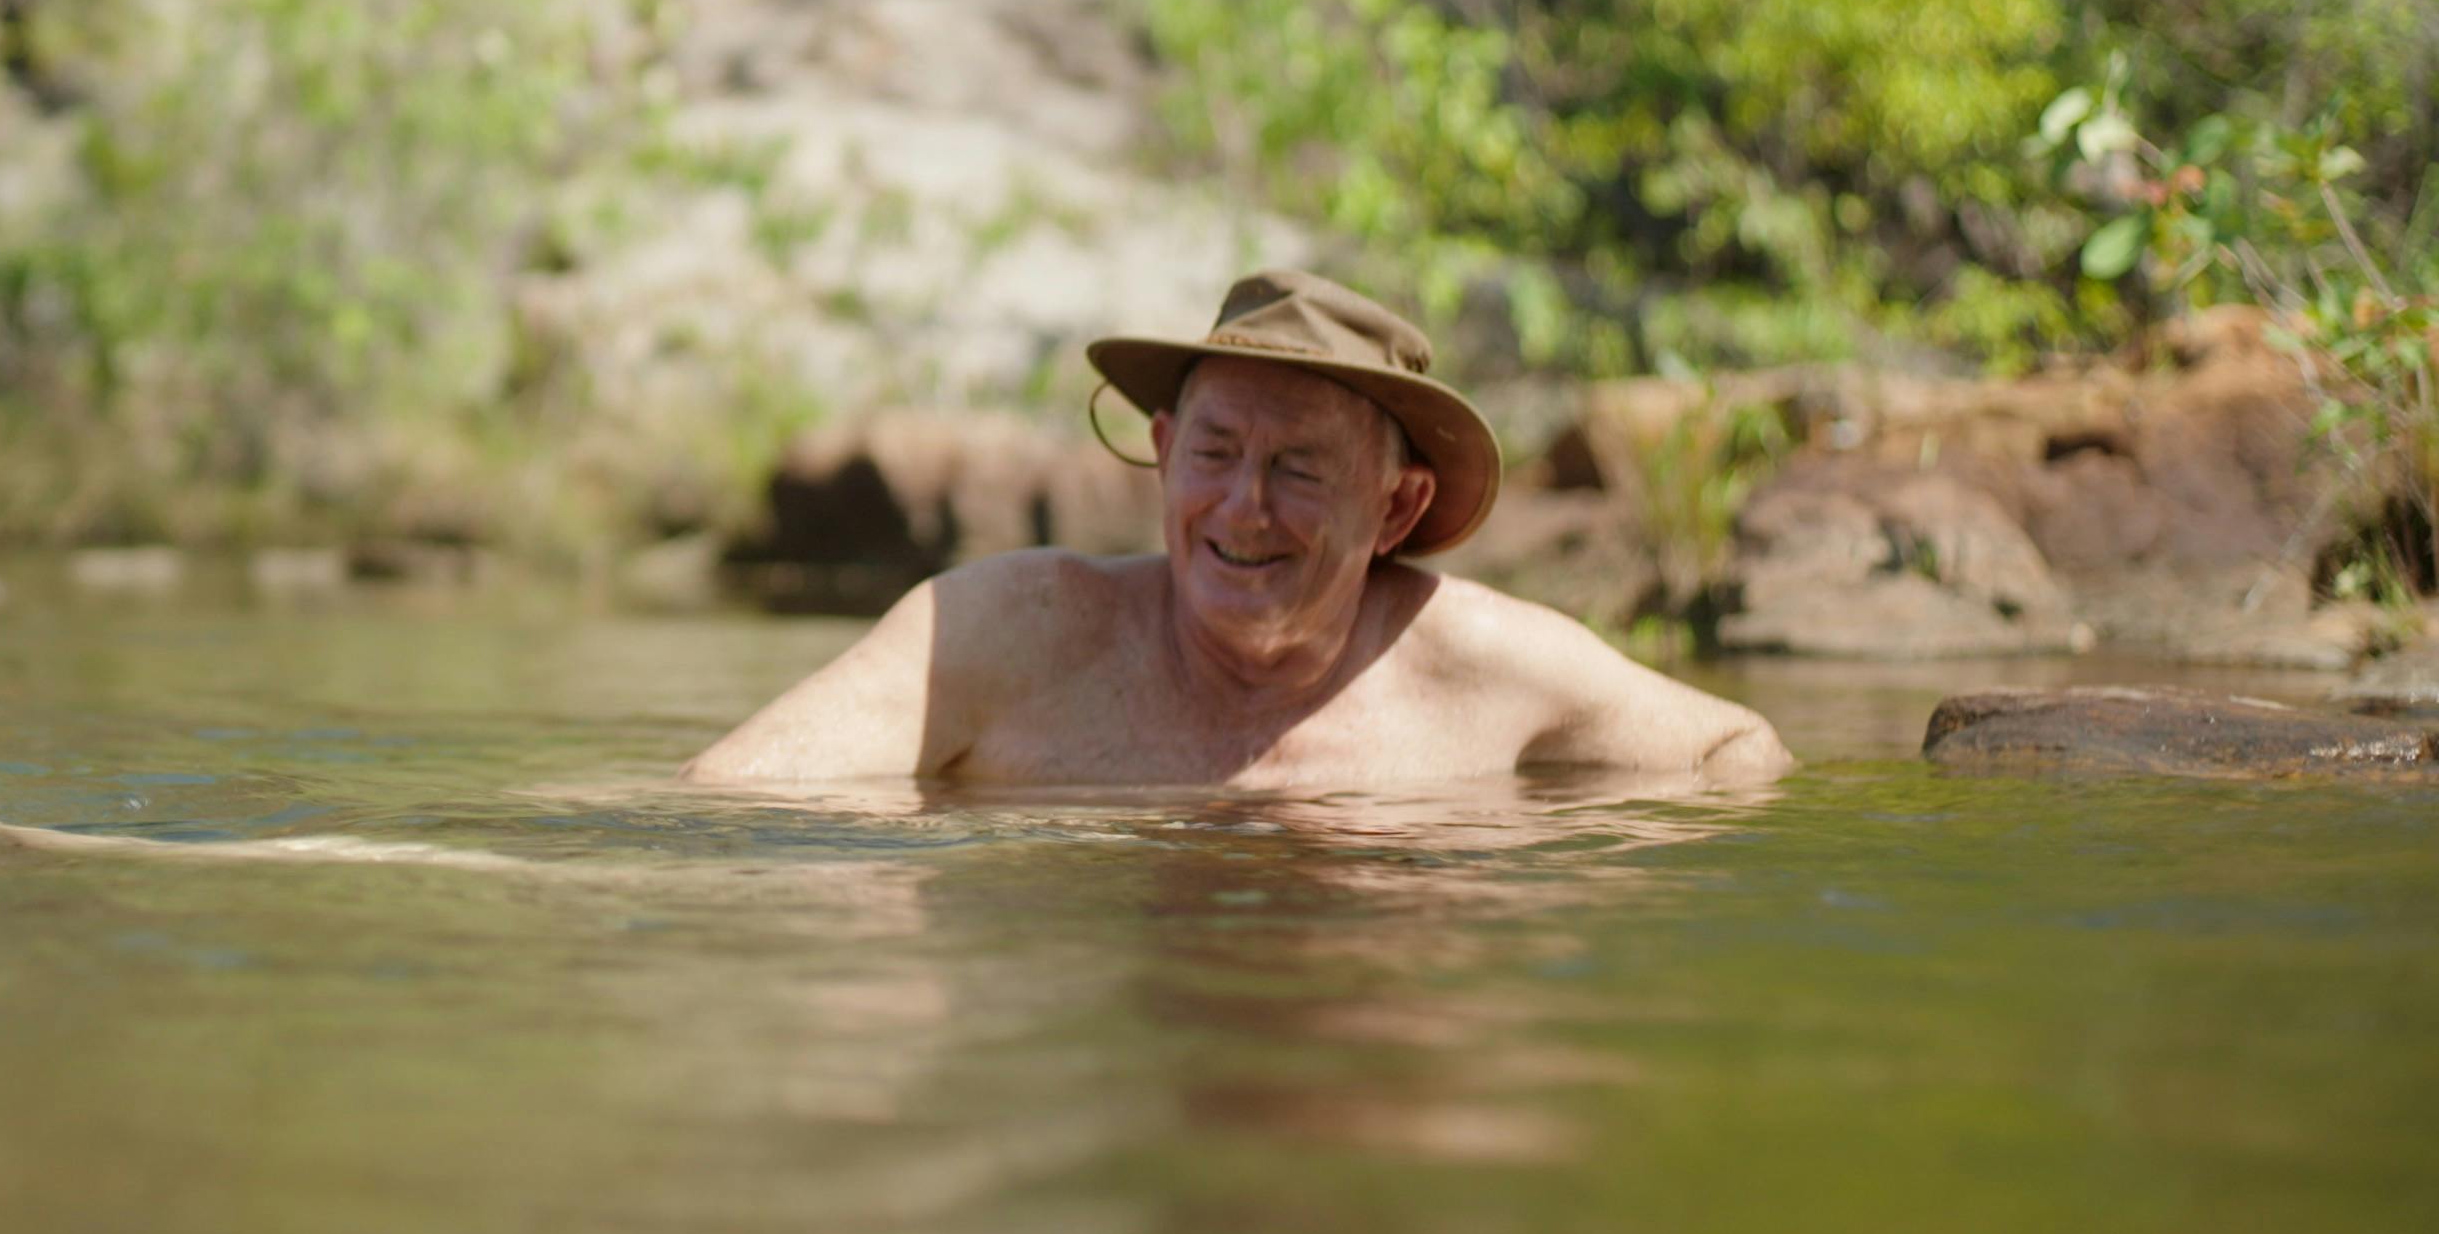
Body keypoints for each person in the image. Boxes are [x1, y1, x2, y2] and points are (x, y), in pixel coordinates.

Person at [685, 269, 1794, 791]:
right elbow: (727, 804)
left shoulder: (1489, 666)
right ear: (1164, 454)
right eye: (1214, 455)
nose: (1242, 507)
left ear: (1397, 508)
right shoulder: (1001, 632)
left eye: (1300, 468)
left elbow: (1741, 750)